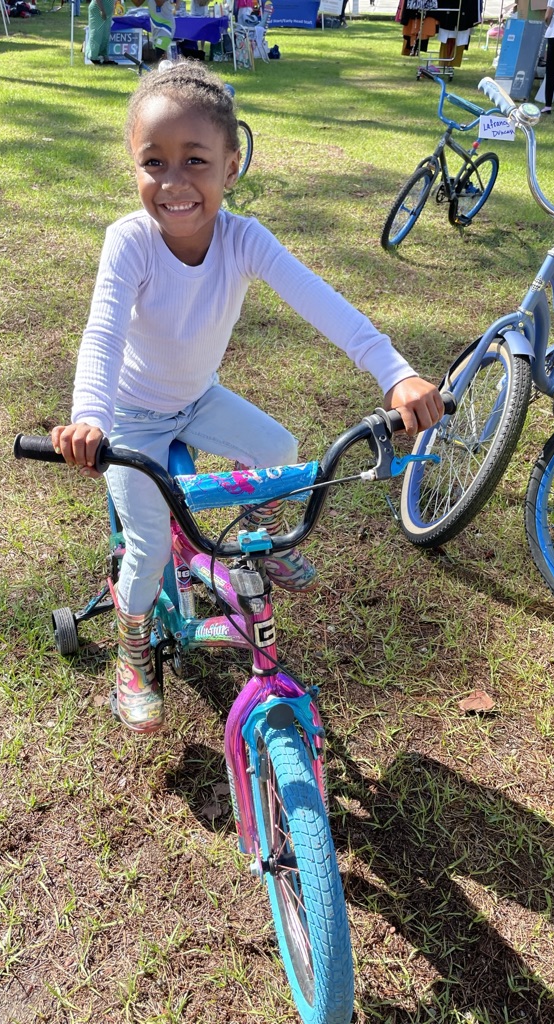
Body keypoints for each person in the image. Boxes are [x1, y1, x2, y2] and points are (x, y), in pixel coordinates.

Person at [51, 61, 444, 735]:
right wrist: (89, 417)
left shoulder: (245, 239)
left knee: (279, 451)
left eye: (195, 160)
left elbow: (332, 310)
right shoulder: (130, 242)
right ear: (134, 166)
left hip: (198, 397)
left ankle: (258, 540)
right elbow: (103, 334)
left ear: (232, 167)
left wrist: (396, 372)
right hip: (130, 419)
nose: (173, 182)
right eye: (153, 162)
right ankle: (134, 650)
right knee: (145, 548)